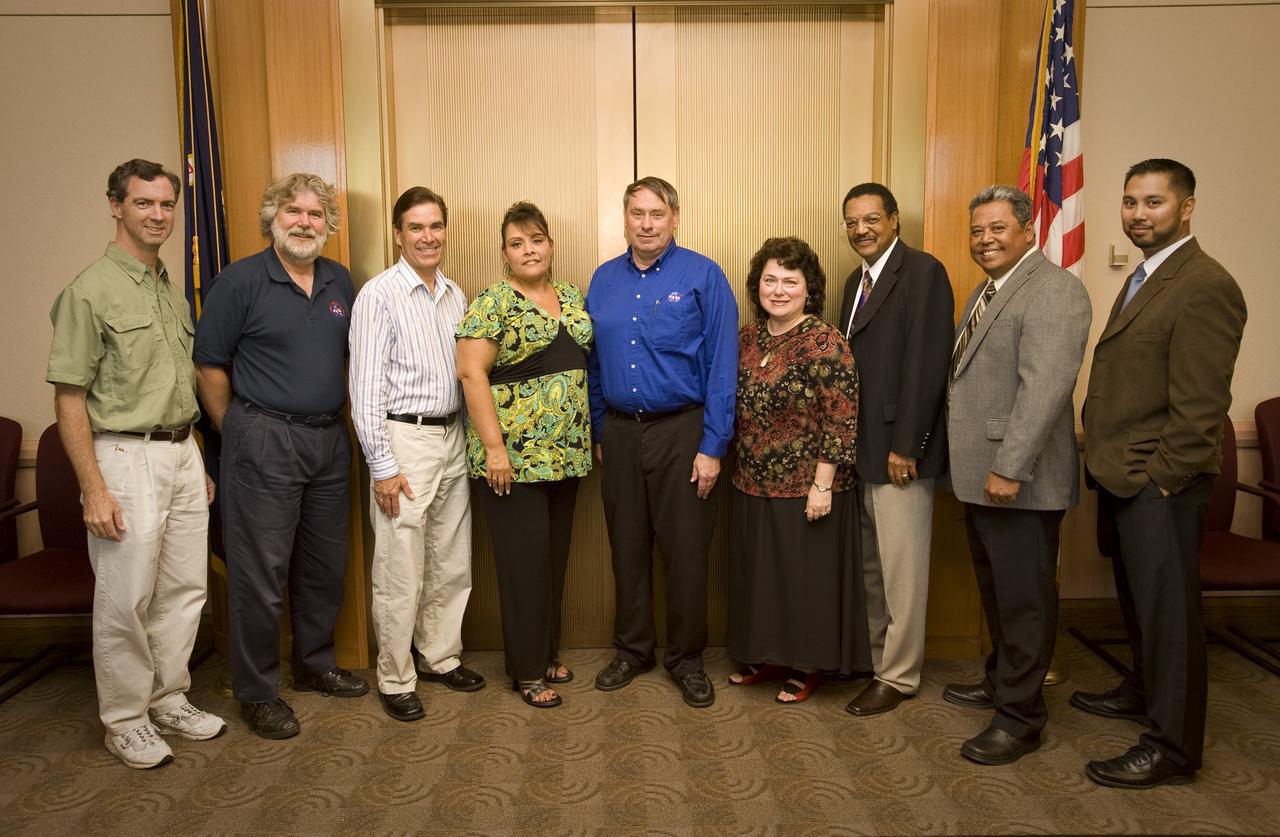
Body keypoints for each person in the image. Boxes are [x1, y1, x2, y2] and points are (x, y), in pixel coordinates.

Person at [46, 159, 225, 769]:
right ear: (115, 206)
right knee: (126, 595)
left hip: (178, 453)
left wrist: (194, 456)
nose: (158, 215)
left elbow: (175, 387)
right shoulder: (88, 291)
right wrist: (92, 489)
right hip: (121, 457)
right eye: (144, 203)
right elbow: (69, 397)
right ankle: (124, 719)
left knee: (183, 589)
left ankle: (168, 698)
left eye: (167, 205)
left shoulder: (169, 292)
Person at [1078, 158, 1246, 789]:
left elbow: (1202, 406)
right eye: (1130, 202)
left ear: (1186, 207)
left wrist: (1162, 479)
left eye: (1153, 203)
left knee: (1171, 619)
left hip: (1159, 483)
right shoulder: (1148, 276)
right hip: (1123, 474)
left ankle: (1172, 749)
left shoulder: (1204, 283)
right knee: (1141, 607)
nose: (1138, 214)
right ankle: (1141, 691)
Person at [194, 173, 366, 740]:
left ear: (328, 225)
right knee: (260, 574)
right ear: (272, 217)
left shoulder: (340, 280)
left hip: (328, 440)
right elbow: (209, 366)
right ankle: (258, 691)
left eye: (316, 215)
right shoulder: (239, 281)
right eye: (293, 211)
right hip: (262, 437)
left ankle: (315, 666)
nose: (304, 222)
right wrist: (237, 428)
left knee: (322, 566)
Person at [942, 185, 1091, 765]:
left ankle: (1022, 719)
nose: (985, 239)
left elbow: (1045, 389)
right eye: (978, 230)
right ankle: (1003, 682)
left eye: (998, 228)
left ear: (1029, 230)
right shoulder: (988, 291)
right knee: (999, 592)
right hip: (980, 474)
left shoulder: (1055, 290)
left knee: (1024, 600)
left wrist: (1009, 467)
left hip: (1017, 479)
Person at [586, 176, 738, 708]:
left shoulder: (703, 275)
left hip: (684, 431)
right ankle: (633, 650)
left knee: (686, 552)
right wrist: (601, 430)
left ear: (675, 216)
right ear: (623, 218)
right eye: (637, 214)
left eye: (657, 214)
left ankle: (687, 658)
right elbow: (594, 364)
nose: (646, 224)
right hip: (622, 434)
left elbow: (723, 365)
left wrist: (714, 445)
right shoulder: (602, 280)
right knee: (626, 546)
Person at [348, 186, 484, 724]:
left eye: (436, 226)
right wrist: (382, 465)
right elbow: (365, 389)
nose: (428, 237)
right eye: (416, 228)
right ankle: (395, 676)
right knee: (400, 565)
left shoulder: (456, 296)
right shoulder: (378, 296)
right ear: (398, 235)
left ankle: (439, 656)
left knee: (451, 558)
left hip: (453, 437)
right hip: (403, 440)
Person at [456, 201, 592, 709]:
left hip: (567, 458)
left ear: (550, 244)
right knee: (523, 566)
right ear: (505, 253)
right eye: (517, 243)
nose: (528, 249)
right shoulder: (493, 302)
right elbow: (471, 374)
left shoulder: (570, 295)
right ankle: (528, 670)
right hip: (512, 462)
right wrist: (494, 448)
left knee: (553, 561)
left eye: (536, 239)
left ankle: (546, 651)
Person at [727, 237, 867, 705]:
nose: (779, 290)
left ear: (809, 290)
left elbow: (842, 417)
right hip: (752, 481)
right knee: (763, 579)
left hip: (808, 484)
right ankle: (769, 655)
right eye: (771, 280)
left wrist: (822, 485)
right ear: (757, 285)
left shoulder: (825, 341)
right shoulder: (748, 337)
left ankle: (808, 665)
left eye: (791, 281)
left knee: (803, 580)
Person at [835, 182, 955, 717]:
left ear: (895, 220)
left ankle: (900, 676)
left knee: (902, 570)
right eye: (852, 222)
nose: (861, 229)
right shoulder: (851, 285)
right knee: (873, 566)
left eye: (871, 219)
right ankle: (880, 660)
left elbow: (928, 365)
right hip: (860, 451)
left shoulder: (923, 273)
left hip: (899, 453)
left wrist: (907, 445)